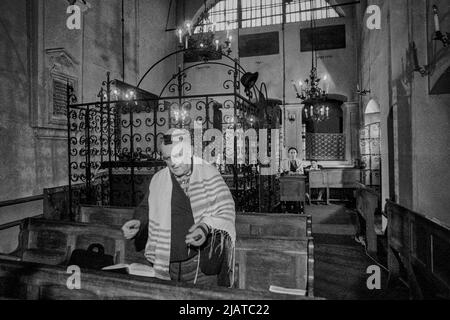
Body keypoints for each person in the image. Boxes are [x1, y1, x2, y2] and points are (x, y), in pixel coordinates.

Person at [121, 128, 236, 287]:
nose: (173, 163)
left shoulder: (209, 174)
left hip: (202, 265)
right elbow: (146, 208)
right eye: (167, 158)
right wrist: (138, 221)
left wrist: (204, 227)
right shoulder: (159, 179)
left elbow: (226, 209)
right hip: (168, 264)